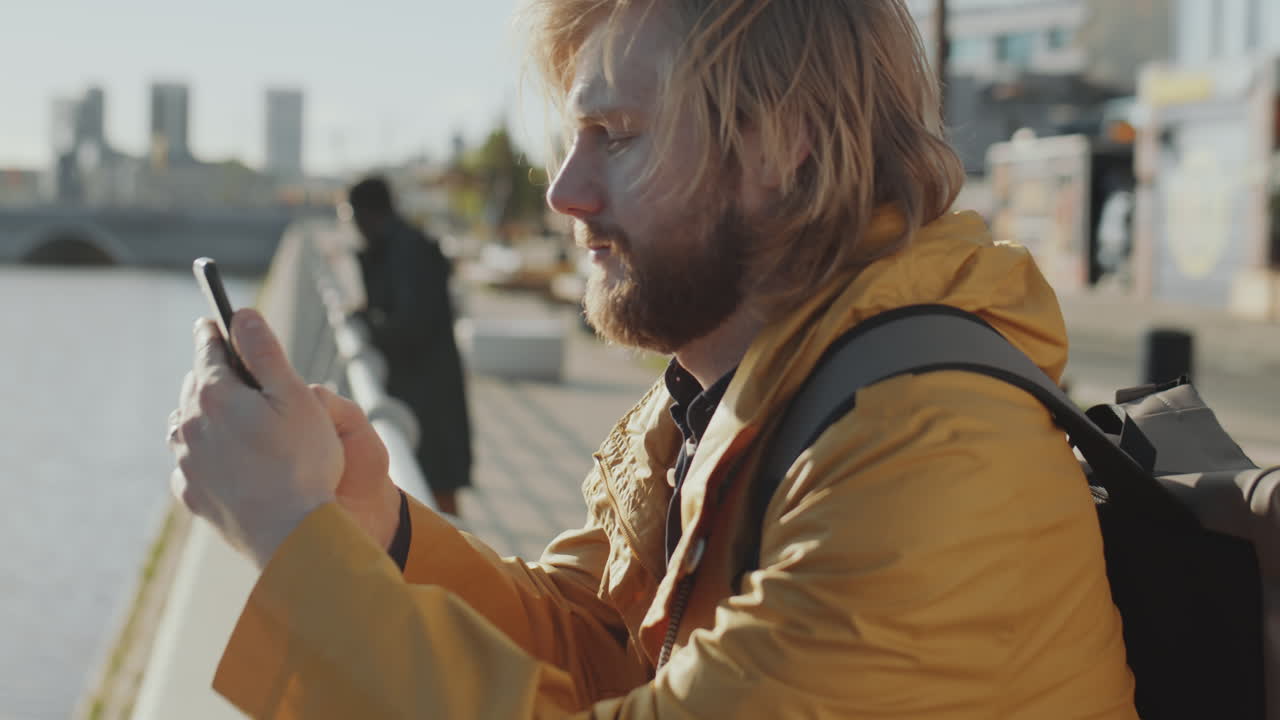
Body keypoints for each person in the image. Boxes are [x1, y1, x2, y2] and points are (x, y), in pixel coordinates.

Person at [165, 0, 1138, 717]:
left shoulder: (933, 449)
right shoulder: (720, 394)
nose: (563, 192)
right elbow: (597, 646)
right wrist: (378, 529)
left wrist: (289, 533)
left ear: (785, 144)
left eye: (614, 137)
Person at [347, 176, 471, 516]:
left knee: (436, 491)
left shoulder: (405, 250)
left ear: (366, 212)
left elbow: (410, 323)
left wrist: (368, 323)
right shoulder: (405, 245)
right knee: (430, 489)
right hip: (426, 387)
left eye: (351, 214)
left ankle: (458, 569)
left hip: (426, 392)